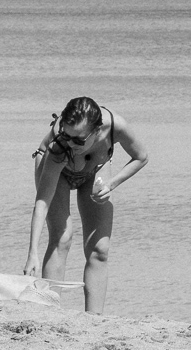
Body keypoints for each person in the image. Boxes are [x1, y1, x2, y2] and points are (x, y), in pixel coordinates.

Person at [24, 96, 149, 313]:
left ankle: (94, 320)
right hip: (58, 171)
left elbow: (141, 157)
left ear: (97, 130)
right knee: (62, 238)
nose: (71, 143)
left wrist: (112, 184)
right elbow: (42, 203)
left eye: (79, 140)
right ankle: (48, 311)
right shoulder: (59, 145)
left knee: (99, 249)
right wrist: (32, 252)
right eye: (67, 135)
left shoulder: (115, 127)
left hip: (94, 168)